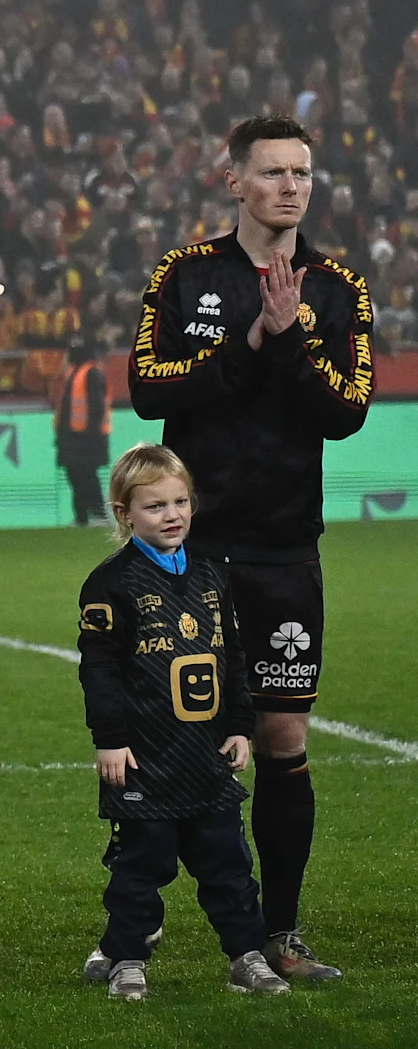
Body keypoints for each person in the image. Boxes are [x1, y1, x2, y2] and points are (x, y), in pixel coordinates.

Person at [127, 111, 373, 984]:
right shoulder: (184, 273)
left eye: (301, 173)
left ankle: (280, 931)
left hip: (282, 550)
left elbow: (346, 412)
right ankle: (131, 928)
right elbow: (148, 387)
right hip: (190, 551)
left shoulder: (339, 287)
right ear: (233, 180)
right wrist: (253, 340)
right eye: (272, 172)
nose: (289, 187)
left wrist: (296, 335)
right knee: (166, 735)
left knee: (282, 734)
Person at [73, 445, 283, 1001]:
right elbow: (99, 670)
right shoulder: (110, 584)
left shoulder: (212, 576)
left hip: (207, 756)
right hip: (145, 759)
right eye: (155, 506)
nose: (172, 515)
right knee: (139, 871)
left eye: (181, 502)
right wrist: (110, 740)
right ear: (125, 515)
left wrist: (240, 725)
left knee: (231, 869)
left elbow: (232, 656)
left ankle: (247, 957)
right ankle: (126, 959)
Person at [54, 329, 117, 527]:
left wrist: (91, 434)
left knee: (87, 476)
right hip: (73, 435)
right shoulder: (75, 372)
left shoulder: (91, 373)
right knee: (76, 475)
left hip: (87, 437)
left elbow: (97, 407)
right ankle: (81, 517)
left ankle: (97, 514)